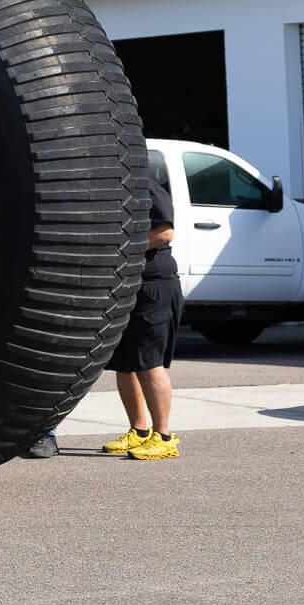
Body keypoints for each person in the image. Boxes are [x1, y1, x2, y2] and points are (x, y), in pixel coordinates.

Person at [102, 176, 184, 461]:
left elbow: (165, 233)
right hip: (126, 286)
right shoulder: (115, 188)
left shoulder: (147, 186)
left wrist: (125, 250)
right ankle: (139, 431)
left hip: (155, 286)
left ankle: (163, 437)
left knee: (150, 363)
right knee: (125, 364)